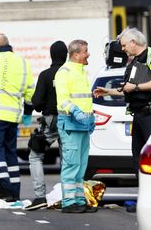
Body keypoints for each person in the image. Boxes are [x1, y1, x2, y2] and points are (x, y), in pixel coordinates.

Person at [93, 27, 151, 176]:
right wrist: (109, 91)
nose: (123, 49)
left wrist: (136, 87)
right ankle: (143, 193)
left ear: (133, 42)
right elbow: (130, 89)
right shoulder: (136, 61)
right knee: (138, 159)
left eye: (124, 45)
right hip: (139, 115)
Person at [0, 33, 35, 202]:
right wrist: (27, 113)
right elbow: (30, 91)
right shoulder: (23, 62)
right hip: (14, 116)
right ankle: (15, 191)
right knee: (11, 152)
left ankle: (4, 187)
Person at [24, 40, 68, 211]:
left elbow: (35, 102)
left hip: (50, 121)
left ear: (51, 55)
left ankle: (40, 196)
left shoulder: (45, 75)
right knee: (68, 160)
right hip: (68, 120)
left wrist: (42, 105)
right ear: (65, 55)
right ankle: (69, 196)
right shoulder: (70, 73)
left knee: (35, 156)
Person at [55, 39, 97, 213]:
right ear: (76, 54)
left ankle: (79, 200)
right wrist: (77, 112)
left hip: (83, 126)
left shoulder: (81, 72)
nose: (88, 54)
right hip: (71, 126)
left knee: (81, 166)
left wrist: (90, 117)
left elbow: (85, 100)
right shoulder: (64, 72)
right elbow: (63, 99)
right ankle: (68, 202)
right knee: (71, 165)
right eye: (85, 51)